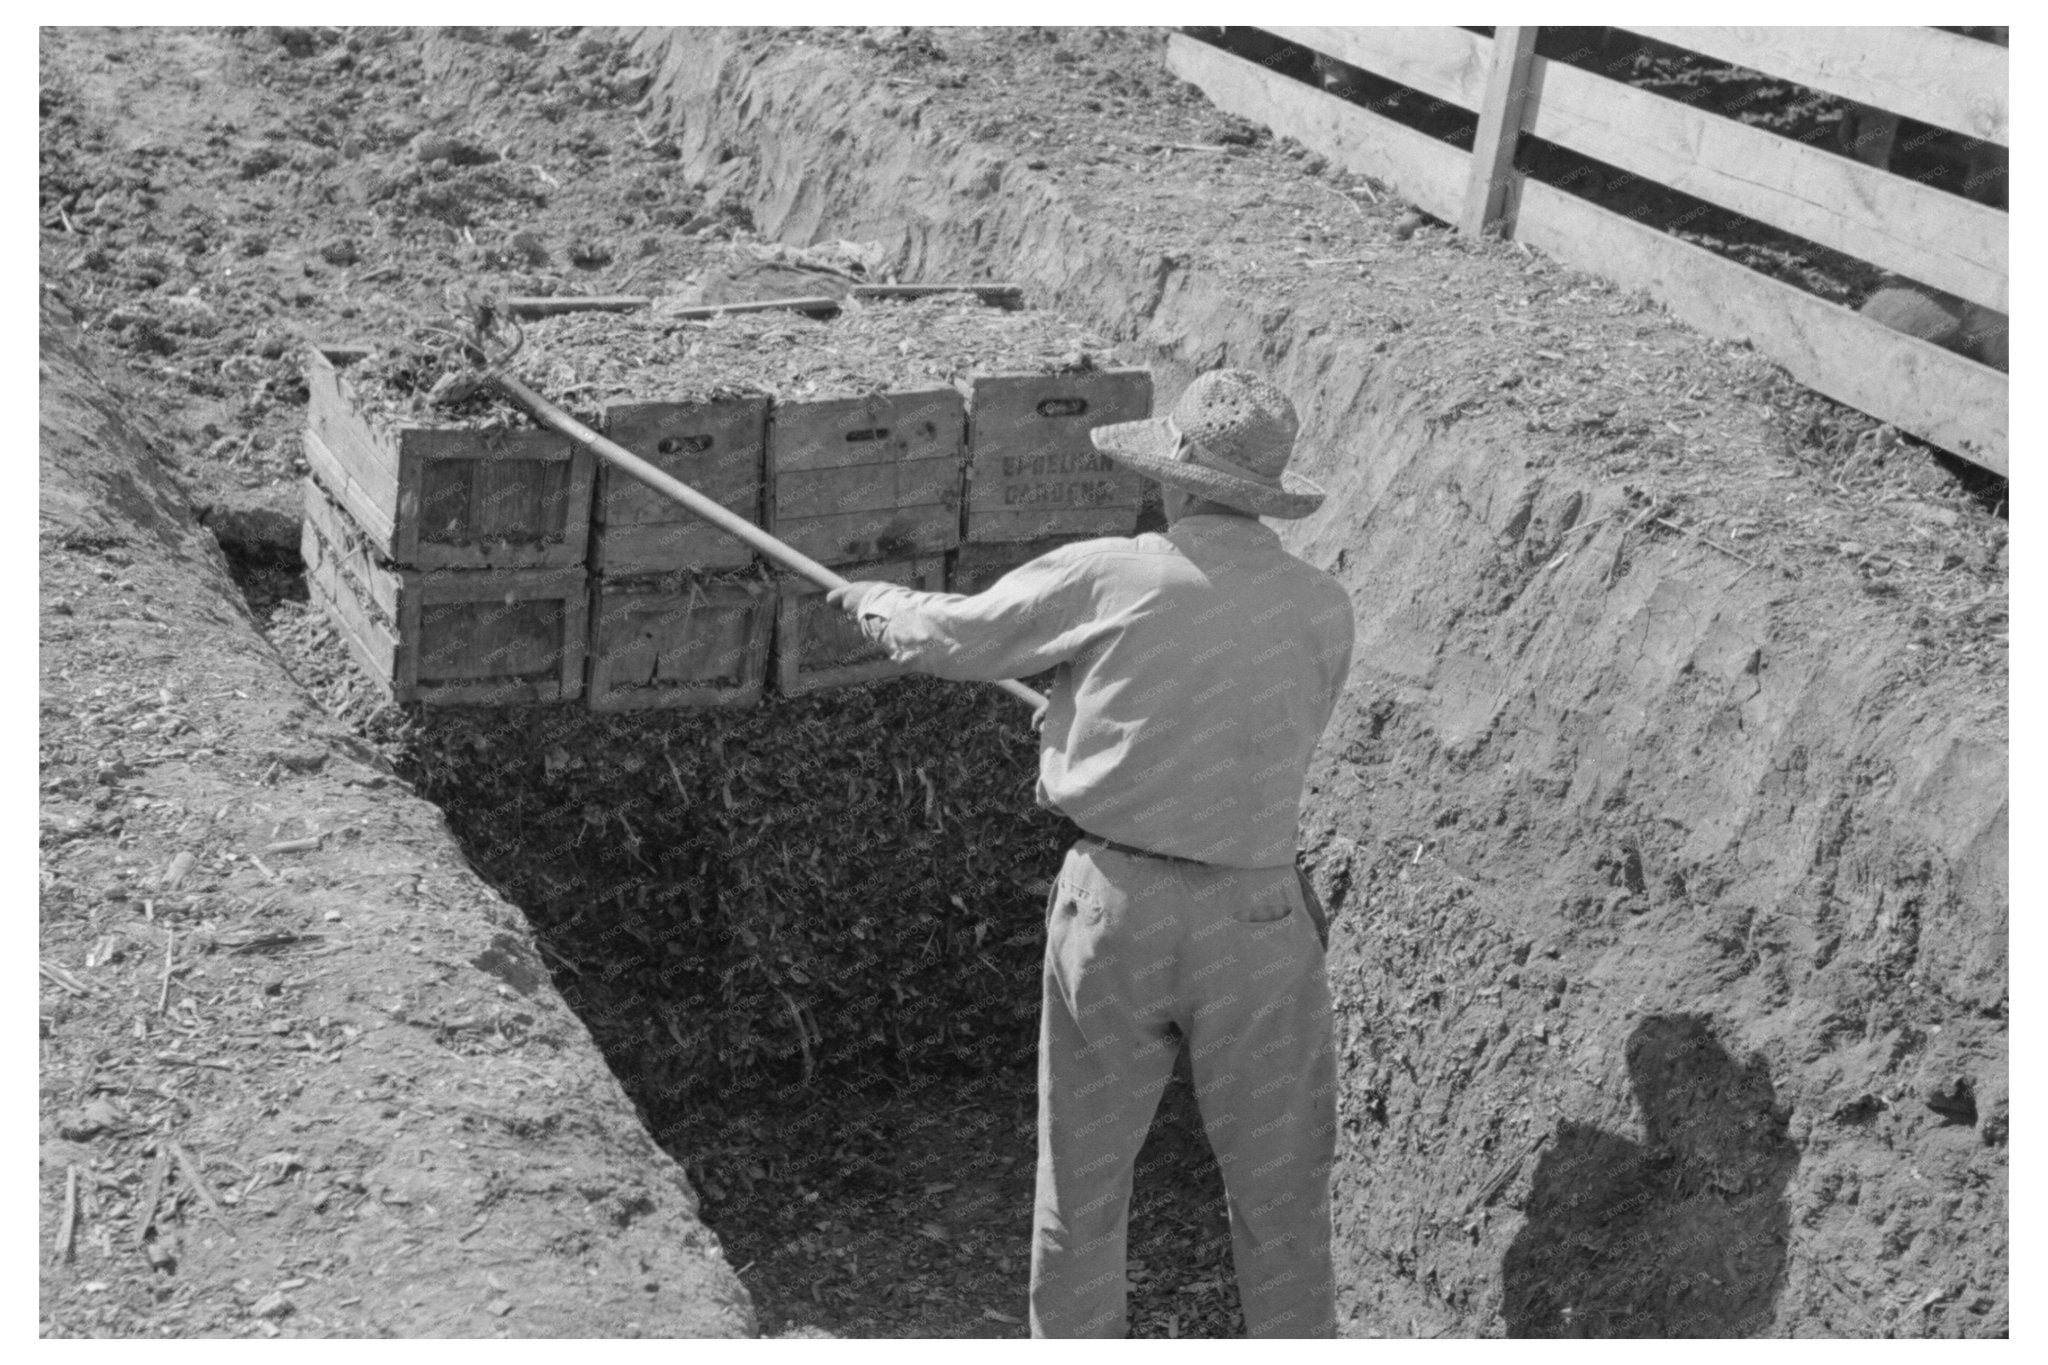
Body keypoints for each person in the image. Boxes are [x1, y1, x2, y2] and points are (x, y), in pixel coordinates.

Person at [826, 367, 1356, 1338]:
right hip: (1257, 920)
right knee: (1279, 1207)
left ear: (1176, 478)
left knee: (1082, 1199)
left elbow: (964, 636)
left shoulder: (1111, 571)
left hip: (1115, 909)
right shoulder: (1322, 608)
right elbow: (1252, 730)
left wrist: (876, 606)